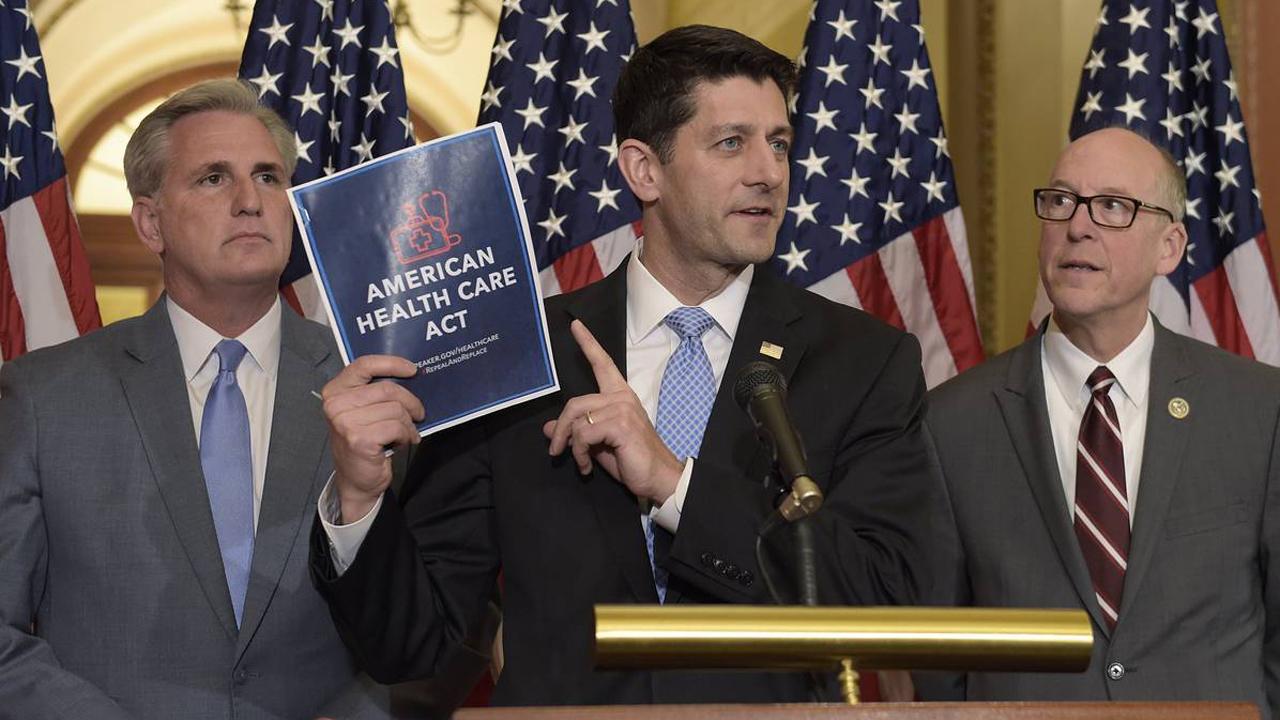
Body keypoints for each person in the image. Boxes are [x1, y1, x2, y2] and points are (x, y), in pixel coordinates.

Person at [312, 25, 943, 705]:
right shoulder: (520, 354)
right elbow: (410, 644)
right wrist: (359, 498)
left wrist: (674, 485)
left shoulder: (862, 360)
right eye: (732, 143)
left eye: (780, 143)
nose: (768, 171)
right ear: (644, 170)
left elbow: (892, 597)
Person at [0, 79, 390, 720]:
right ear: (151, 223)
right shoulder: (44, 398)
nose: (249, 202)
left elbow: (448, 618)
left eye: (268, 177)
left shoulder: (377, 388)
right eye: (213, 178)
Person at [923, 126, 1280, 716]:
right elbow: (940, 659)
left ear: (1169, 247)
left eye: (1112, 206)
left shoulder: (1258, 410)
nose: (1078, 226)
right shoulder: (950, 423)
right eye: (1061, 201)